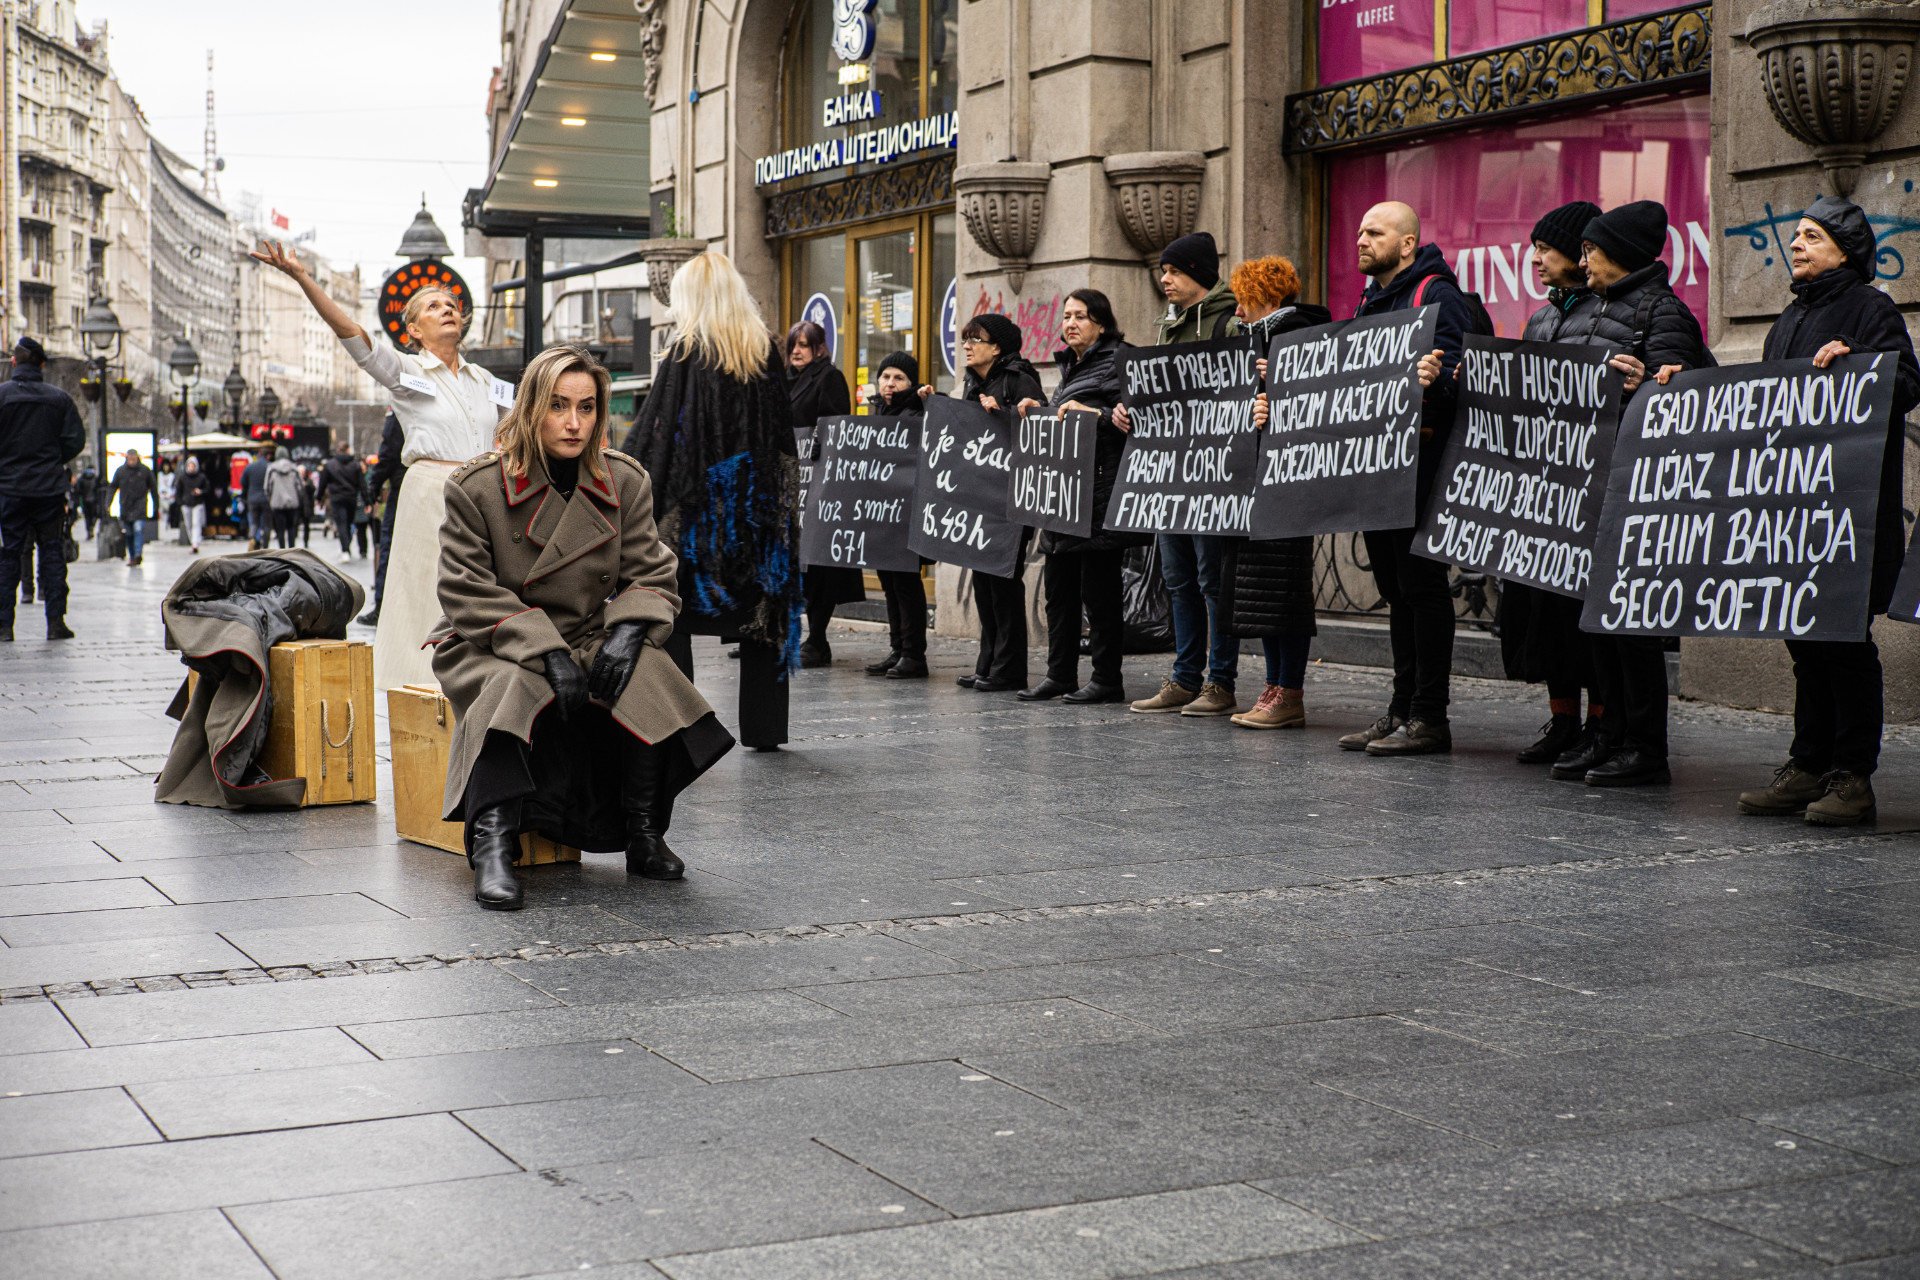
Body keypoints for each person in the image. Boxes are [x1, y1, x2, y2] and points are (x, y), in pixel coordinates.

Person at [429, 344, 734, 910]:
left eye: (587, 407)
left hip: (590, 634)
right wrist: (545, 650)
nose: (574, 423)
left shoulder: (623, 481)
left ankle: (644, 833)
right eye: (559, 406)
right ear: (530, 408)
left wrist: (628, 629)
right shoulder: (477, 488)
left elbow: (652, 570)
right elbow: (465, 592)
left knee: (645, 670)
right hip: (494, 639)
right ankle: (493, 847)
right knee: (510, 688)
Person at [1735, 197, 1920, 824]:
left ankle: (1852, 777)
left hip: (1847, 516)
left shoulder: (1872, 308)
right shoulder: (1787, 318)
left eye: (1811, 236)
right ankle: (1808, 763)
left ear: (1845, 247)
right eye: (1796, 236)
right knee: (1803, 639)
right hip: (1792, 513)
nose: (1797, 245)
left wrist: (1857, 364)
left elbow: (1905, 383)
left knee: (1843, 641)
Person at [251, 239, 507, 692]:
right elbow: (355, 338)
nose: (447, 308)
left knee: (485, 590)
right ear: (413, 330)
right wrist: (303, 278)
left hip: (485, 493)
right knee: (427, 592)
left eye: (452, 304)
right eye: (433, 306)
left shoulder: (485, 380)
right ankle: (424, 687)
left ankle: (482, 678)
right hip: (432, 492)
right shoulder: (408, 375)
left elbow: (523, 423)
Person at [1545, 200, 1711, 787]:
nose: (1581, 258)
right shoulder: (1600, 307)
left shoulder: (1662, 313)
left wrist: (1646, 389)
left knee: (1633, 629)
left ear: (1618, 253)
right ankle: (1611, 734)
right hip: (1592, 491)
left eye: (1590, 249)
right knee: (1601, 626)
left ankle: (1645, 744)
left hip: (1637, 497)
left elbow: (1687, 405)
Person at [622, 250, 805, 750]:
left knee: (672, 615)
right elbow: (779, 438)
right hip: (756, 513)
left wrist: (622, 476)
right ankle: (766, 730)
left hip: (699, 516)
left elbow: (657, 434)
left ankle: (685, 727)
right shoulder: (763, 351)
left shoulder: (685, 351)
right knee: (761, 619)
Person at [1500, 201, 1648, 767]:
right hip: (1544, 493)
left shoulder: (1609, 311)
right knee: (1546, 617)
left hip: (1591, 489)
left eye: (1547, 249)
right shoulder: (1542, 319)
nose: (1536, 260)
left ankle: (1599, 725)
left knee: (1582, 617)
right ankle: (1562, 718)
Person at [1336, 202, 1473, 757]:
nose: (1362, 239)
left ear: (1409, 243)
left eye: (1375, 232)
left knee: (1421, 588)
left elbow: (1466, 375)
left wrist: (1434, 386)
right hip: (1378, 470)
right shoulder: (1370, 299)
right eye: (1360, 230)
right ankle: (1400, 707)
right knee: (1394, 590)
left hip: (1420, 468)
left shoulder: (1437, 295)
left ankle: (1429, 716)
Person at [1118, 232, 1245, 717]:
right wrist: (1127, 411)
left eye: (1173, 271)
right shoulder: (1165, 327)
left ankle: (1221, 681)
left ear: (1197, 273)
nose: (1164, 279)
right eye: (1163, 271)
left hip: (1213, 478)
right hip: (1170, 477)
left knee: (1212, 580)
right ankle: (1185, 676)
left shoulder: (1230, 324)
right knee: (1178, 579)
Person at [1218, 256, 1331, 729]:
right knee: (1257, 591)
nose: (1237, 311)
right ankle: (1273, 687)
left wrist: (1275, 396)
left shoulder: (1301, 334)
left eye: (1243, 299)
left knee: (1284, 591)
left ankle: (1290, 690)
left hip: (1290, 480)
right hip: (1256, 478)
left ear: (1265, 295)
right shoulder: (1253, 339)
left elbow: (1323, 402)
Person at [1013, 289, 1132, 704]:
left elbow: (1132, 421)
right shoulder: (1072, 365)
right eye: (1066, 316)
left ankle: (1106, 678)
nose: (1071, 323)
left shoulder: (1119, 360)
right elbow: (1067, 418)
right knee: (1058, 592)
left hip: (1097, 496)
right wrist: (1041, 407)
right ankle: (1059, 673)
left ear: (1101, 322)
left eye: (1080, 316)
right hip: (1062, 498)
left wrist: (1094, 415)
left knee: (1099, 595)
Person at [943, 311, 1042, 693]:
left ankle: (1010, 667)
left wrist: (999, 415)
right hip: (978, 497)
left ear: (997, 347)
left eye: (975, 339)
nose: (966, 345)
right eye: (965, 339)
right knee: (983, 584)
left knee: (1003, 583)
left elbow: (1039, 432)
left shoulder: (1021, 379)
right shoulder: (971, 382)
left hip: (1011, 500)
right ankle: (988, 663)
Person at [785, 319, 863, 668]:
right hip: (789, 486)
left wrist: (815, 443)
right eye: (792, 345)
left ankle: (817, 638)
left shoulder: (829, 377)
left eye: (804, 344)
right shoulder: (785, 381)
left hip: (818, 484)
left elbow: (836, 426)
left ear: (819, 347)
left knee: (818, 565)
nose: (796, 351)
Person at [0, 335, 84, 640]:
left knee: (9, 553)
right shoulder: (59, 398)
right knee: (52, 552)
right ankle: (56, 622)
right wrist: (52, 458)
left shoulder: (2, 396)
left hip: (10, 488)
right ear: (43, 364)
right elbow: (76, 440)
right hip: (48, 488)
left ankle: (3, 625)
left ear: (13, 362)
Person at [860, 351, 930, 680]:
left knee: (905, 583)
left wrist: (927, 401)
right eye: (886, 376)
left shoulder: (918, 410)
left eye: (898, 377)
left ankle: (914, 653)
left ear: (911, 382)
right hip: (882, 513)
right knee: (888, 582)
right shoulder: (878, 410)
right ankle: (898, 648)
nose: (890, 383)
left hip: (907, 514)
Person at [360, 411, 405, 626]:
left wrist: (374, 483)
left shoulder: (402, 405)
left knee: (389, 546)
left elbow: (388, 452)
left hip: (405, 485)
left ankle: (382, 606)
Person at [316, 441, 363, 563]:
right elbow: (362, 484)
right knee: (348, 523)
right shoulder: (355, 465)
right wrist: (367, 500)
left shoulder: (330, 465)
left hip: (337, 498)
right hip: (351, 498)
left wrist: (318, 498)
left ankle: (345, 549)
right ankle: (345, 548)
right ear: (347, 450)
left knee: (341, 524)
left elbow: (322, 483)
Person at [110, 447, 157, 565]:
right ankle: (132, 555)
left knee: (138, 529)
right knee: (129, 533)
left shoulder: (145, 471)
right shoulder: (121, 471)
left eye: (134, 458)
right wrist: (108, 503)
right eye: (130, 458)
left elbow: (153, 488)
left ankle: (137, 554)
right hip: (126, 507)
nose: (132, 461)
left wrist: (156, 504)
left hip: (140, 506)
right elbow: (113, 487)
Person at [177, 454, 211, 553]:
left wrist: (200, 492)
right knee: (189, 524)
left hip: (197, 503)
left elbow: (207, 489)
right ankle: (193, 542)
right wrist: (181, 502)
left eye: (193, 466)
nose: (191, 468)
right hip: (186, 503)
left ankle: (195, 543)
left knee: (196, 523)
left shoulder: (201, 477)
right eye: (190, 466)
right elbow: (178, 490)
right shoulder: (183, 477)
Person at [241, 446, 272, 550]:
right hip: (266, 499)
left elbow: (242, 482)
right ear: (268, 456)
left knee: (254, 522)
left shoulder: (250, 467)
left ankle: (253, 538)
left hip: (252, 498)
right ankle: (265, 545)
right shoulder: (269, 467)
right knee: (267, 524)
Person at [72, 460, 98, 539]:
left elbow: (78, 490)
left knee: (87, 516)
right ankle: (92, 527)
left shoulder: (82, 478)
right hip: (94, 500)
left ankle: (88, 529)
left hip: (85, 500)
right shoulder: (95, 478)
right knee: (94, 515)